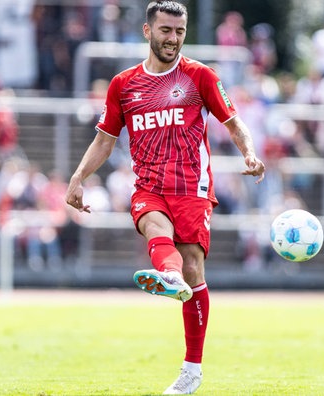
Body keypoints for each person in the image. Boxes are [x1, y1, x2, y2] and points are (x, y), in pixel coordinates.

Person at [64, 2, 265, 394]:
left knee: (194, 270)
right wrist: (77, 177)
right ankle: (169, 276)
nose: (173, 38)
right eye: (166, 30)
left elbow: (234, 122)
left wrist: (250, 153)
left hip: (192, 187)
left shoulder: (200, 76)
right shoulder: (123, 84)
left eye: (179, 31)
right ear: (147, 31)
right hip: (149, 185)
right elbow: (105, 140)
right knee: (152, 224)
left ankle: (192, 370)